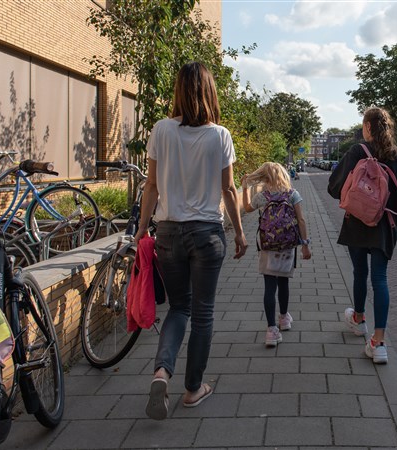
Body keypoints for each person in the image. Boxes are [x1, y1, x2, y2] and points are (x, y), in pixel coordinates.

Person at [135, 61, 247, 420]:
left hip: (168, 233)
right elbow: (228, 189)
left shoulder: (161, 131)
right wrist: (241, 232)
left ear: (178, 91)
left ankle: (161, 372)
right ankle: (193, 388)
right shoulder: (219, 135)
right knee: (203, 314)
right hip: (206, 234)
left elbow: (151, 185)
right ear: (210, 92)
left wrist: (141, 227)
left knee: (178, 308)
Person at [327, 107, 397, 364]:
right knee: (380, 279)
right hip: (384, 225)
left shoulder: (357, 151)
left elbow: (333, 187)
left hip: (357, 223)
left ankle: (359, 319)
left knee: (360, 273)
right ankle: (379, 343)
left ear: (367, 127)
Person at [240, 162, 312, 347]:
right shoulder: (292, 194)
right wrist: (305, 245)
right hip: (287, 246)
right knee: (284, 282)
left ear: (265, 178)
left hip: (267, 245)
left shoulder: (262, 196)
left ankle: (271, 330)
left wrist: (245, 188)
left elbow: (247, 209)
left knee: (269, 287)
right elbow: (301, 220)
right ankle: (284, 319)